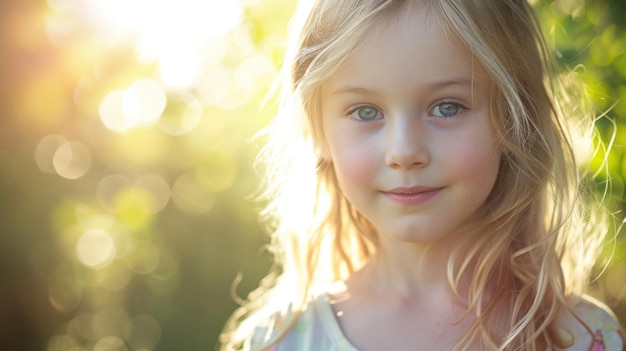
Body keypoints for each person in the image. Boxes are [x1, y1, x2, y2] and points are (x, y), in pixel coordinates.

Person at [220, 0, 626, 349]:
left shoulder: (578, 336)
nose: (404, 152)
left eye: (447, 107)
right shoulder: (281, 341)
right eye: (365, 112)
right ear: (319, 131)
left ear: (514, 118)